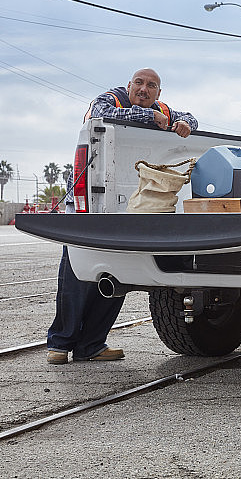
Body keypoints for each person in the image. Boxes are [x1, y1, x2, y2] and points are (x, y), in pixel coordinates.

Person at [46, 68, 198, 364]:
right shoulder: (111, 99)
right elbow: (98, 115)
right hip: (88, 203)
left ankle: (92, 344)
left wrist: (183, 123)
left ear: (159, 92)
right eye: (139, 83)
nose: (144, 89)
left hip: (128, 205)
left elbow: (190, 117)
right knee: (76, 274)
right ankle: (60, 344)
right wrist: (148, 118)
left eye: (151, 85)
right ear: (129, 86)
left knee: (116, 273)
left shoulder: (162, 109)